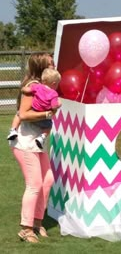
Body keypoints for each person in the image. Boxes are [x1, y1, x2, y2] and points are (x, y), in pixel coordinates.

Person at [9, 53, 57, 243]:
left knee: (48, 180)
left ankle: (37, 222)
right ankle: (26, 229)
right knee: (34, 183)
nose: (54, 66)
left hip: (37, 141)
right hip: (25, 141)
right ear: (41, 67)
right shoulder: (30, 88)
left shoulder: (46, 86)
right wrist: (47, 113)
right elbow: (23, 114)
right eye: (51, 64)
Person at [8, 68, 61, 149]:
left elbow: (27, 89)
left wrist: (23, 89)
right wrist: (58, 105)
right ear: (54, 83)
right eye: (57, 84)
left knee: (18, 114)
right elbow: (54, 107)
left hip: (33, 111)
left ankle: (13, 130)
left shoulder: (37, 87)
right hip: (43, 119)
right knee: (49, 126)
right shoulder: (54, 94)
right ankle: (42, 137)